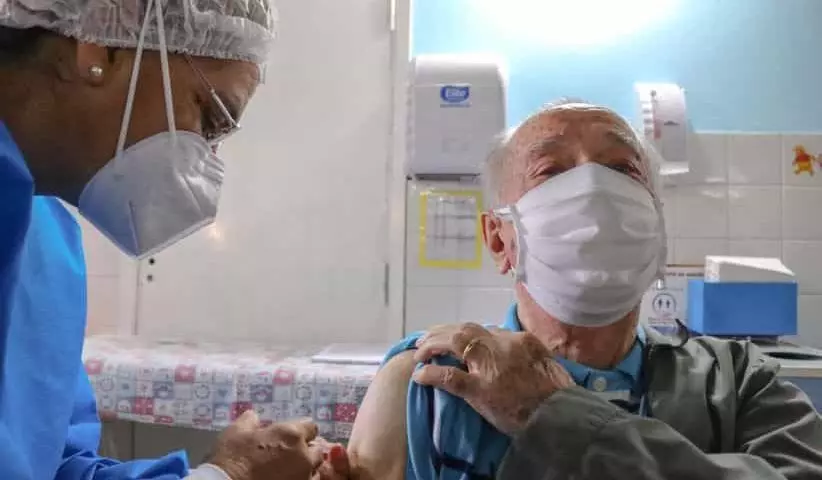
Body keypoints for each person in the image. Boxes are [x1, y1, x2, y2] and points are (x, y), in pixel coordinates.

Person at [347, 100, 822, 479]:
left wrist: (553, 415)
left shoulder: (735, 381)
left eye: (623, 169)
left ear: (656, 226)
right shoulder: (432, 377)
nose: (594, 189)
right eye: (551, 172)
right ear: (498, 239)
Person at [0, 0, 351, 478]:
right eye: (209, 114)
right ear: (97, 50)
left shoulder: (48, 243)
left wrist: (228, 472)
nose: (205, 159)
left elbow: (54, 467)